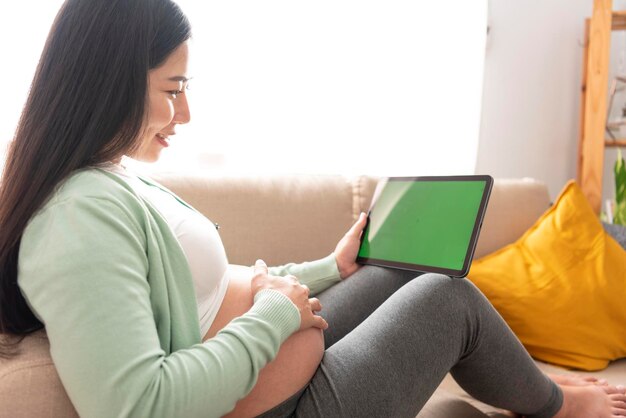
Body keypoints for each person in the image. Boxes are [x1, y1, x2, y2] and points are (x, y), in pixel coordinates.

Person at [0, 1, 624, 417]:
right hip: (282, 405)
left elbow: (200, 301)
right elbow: (137, 403)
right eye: (173, 89)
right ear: (108, 81)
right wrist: (273, 314)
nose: (184, 114)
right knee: (445, 297)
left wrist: (328, 268)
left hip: (273, 361)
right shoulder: (75, 222)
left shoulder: (107, 179)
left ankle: (534, 389)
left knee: (400, 265)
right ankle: (556, 405)